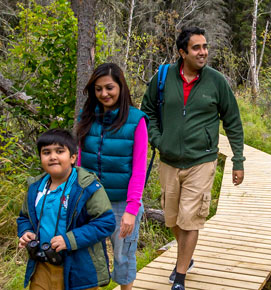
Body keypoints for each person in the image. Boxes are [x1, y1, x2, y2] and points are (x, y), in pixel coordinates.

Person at [140, 26, 246, 290]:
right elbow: (147, 111)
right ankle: (187, 256)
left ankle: (181, 274)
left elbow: (232, 120)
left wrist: (238, 160)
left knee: (190, 218)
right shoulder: (163, 77)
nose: (203, 52)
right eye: (197, 47)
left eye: (205, 46)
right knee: (172, 217)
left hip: (202, 159)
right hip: (169, 159)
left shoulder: (216, 81)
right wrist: (157, 139)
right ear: (182, 52)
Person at [75, 63, 148, 290]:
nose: (104, 94)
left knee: (123, 256)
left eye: (109, 87)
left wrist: (131, 209)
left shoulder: (137, 120)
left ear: (121, 87)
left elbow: (138, 170)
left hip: (120, 204)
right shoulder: (86, 116)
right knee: (89, 257)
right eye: (98, 89)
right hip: (88, 201)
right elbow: (78, 160)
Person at [17, 129, 116, 290]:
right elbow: (24, 217)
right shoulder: (35, 188)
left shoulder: (87, 187)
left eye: (60, 151)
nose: (53, 157)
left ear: (73, 157)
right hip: (42, 265)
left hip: (79, 267)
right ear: (40, 158)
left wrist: (69, 240)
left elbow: (106, 223)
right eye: (46, 152)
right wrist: (25, 231)